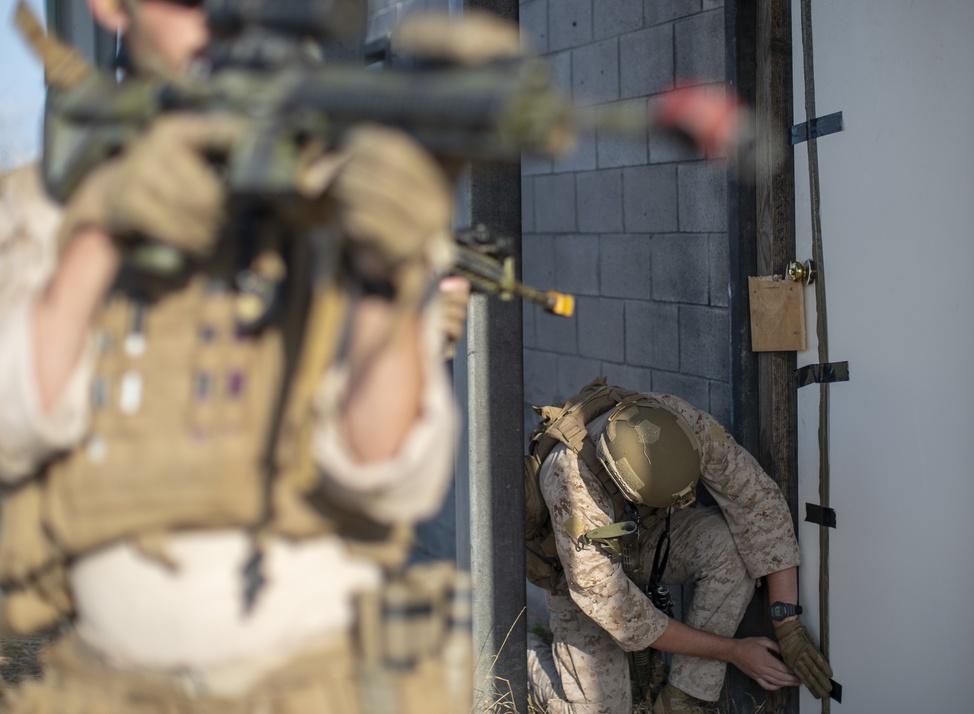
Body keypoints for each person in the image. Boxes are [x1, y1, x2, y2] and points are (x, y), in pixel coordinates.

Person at [0, 0, 513, 711]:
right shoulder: (39, 205)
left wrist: (380, 273)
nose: (223, 20)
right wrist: (100, 228)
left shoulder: (346, 197)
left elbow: (389, 473)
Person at [525, 381, 832, 714]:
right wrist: (733, 652)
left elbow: (756, 500)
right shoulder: (571, 484)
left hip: (646, 534)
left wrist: (786, 621)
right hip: (574, 576)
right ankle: (512, 648)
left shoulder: (678, 420)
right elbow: (623, 614)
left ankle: (684, 699)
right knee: (599, 709)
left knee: (729, 546)